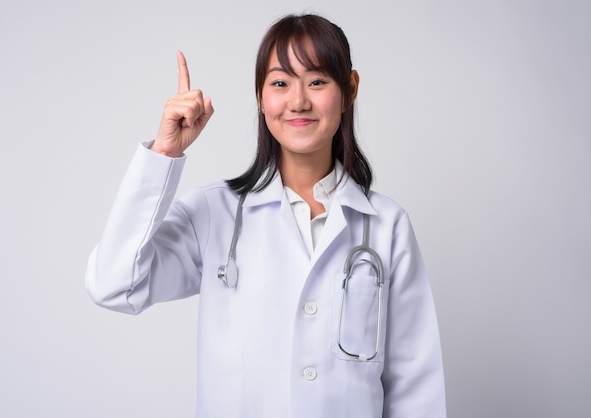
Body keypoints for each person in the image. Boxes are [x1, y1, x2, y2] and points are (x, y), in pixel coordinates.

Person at [86, 13, 446, 418]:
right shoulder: (213, 212)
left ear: (349, 89)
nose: (298, 101)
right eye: (280, 83)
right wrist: (164, 154)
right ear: (260, 97)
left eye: (317, 81)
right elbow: (113, 285)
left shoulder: (386, 226)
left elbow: (416, 387)